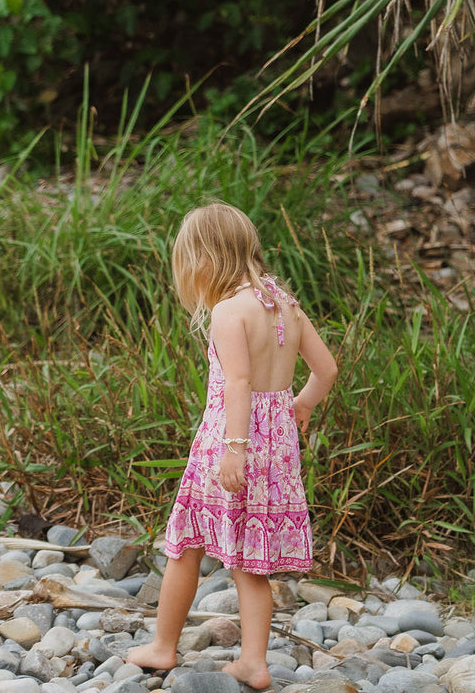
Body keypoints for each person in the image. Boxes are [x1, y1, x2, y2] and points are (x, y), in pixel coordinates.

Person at [128, 202, 338, 690]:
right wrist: (300, 406)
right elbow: (326, 371)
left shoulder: (228, 310)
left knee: (187, 545)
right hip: (278, 447)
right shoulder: (286, 304)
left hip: (230, 443)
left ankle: (163, 647)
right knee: (250, 559)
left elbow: (238, 382)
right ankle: (254, 662)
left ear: (204, 260)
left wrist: (235, 448)